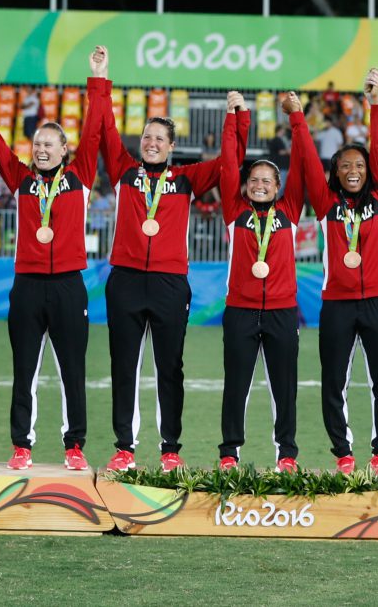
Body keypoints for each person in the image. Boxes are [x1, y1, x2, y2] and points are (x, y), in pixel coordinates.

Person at [98, 44, 249, 473]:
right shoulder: (124, 173)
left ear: (171, 146)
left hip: (168, 283)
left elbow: (230, 164)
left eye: (159, 138)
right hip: (125, 278)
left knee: (170, 368)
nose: (151, 142)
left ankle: (169, 449)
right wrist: (101, 78)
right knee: (124, 366)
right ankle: (125, 447)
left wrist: (237, 118)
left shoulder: (186, 180)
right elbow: (106, 129)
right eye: (146, 137)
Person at [0, 48, 108, 471]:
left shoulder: (80, 177)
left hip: (69, 285)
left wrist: (98, 78)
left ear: (64, 148)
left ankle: (74, 446)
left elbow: (94, 130)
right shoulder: (21, 180)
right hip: (27, 286)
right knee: (24, 371)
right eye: (36, 143)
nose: (40, 149)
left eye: (48, 144)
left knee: (72, 369)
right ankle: (22, 445)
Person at [301, 69, 378, 475]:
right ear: (336, 172)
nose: (354, 170)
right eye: (345, 165)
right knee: (333, 382)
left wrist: (375, 103)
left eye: (359, 164)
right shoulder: (326, 205)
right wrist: (297, 120)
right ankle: (343, 453)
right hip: (337, 303)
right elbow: (307, 160)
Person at [218, 91, 308, 471]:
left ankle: (286, 454)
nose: (259, 185)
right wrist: (235, 118)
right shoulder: (235, 212)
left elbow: (304, 165)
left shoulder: (289, 211)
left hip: (282, 312)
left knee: (284, 389)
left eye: (267, 180)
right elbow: (227, 165)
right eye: (253, 179)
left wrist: (297, 118)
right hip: (240, 310)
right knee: (235, 386)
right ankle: (229, 453)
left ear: (277, 186)